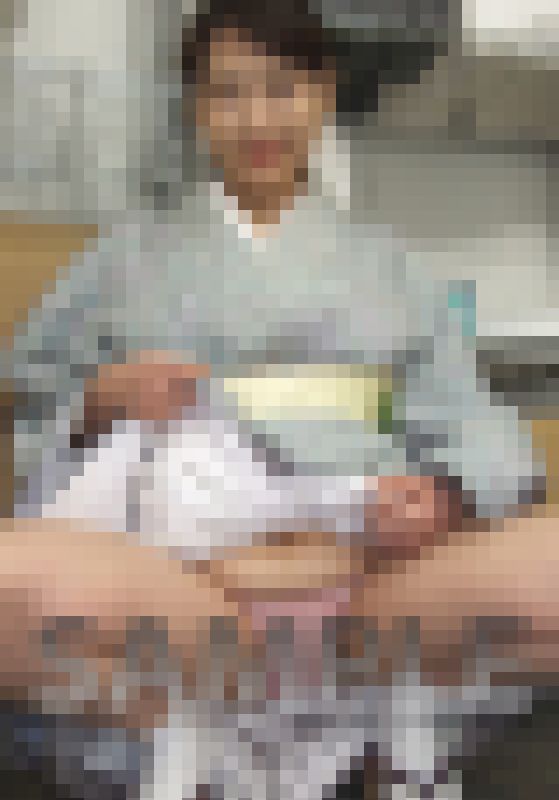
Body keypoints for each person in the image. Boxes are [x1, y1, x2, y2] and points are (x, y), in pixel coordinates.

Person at [7, 0, 545, 797]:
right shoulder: (122, 258)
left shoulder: (392, 267)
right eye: (227, 92)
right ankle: (197, 728)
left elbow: (471, 420)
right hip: (176, 599)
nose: (257, 118)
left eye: (283, 88)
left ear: (323, 94)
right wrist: (98, 401)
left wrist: (446, 493)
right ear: (194, 107)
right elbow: (27, 409)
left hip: (371, 592)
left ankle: (369, 727)